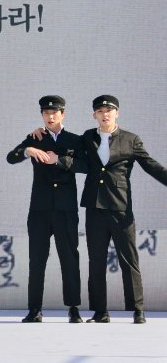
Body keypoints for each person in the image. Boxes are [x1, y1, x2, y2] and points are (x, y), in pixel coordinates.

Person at [56, 95, 167, 324]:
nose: (104, 114)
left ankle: (138, 310)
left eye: (109, 110)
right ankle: (100, 312)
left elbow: (150, 165)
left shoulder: (130, 139)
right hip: (94, 207)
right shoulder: (88, 137)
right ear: (94, 115)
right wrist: (40, 136)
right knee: (96, 261)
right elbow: (67, 148)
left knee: (129, 259)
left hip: (120, 207)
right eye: (100, 111)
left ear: (117, 113)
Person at [6, 96, 82, 324]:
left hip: (66, 209)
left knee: (69, 258)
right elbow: (11, 157)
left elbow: (85, 165)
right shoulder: (35, 138)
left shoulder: (74, 139)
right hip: (40, 209)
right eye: (46, 113)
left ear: (63, 114)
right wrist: (27, 150)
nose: (50, 116)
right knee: (37, 259)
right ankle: (35, 309)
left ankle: (74, 308)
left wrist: (60, 160)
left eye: (54, 112)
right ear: (41, 115)